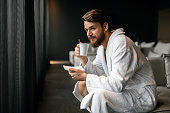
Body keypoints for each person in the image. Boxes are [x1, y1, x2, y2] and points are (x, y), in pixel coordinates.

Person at [68, 9, 157, 113]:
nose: (89, 34)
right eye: (86, 30)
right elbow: (98, 70)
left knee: (99, 96)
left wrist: (86, 76)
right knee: (82, 84)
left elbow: (117, 84)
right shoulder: (103, 47)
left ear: (105, 27)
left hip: (141, 95)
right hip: (125, 90)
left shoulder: (121, 44)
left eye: (92, 28)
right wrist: (84, 59)